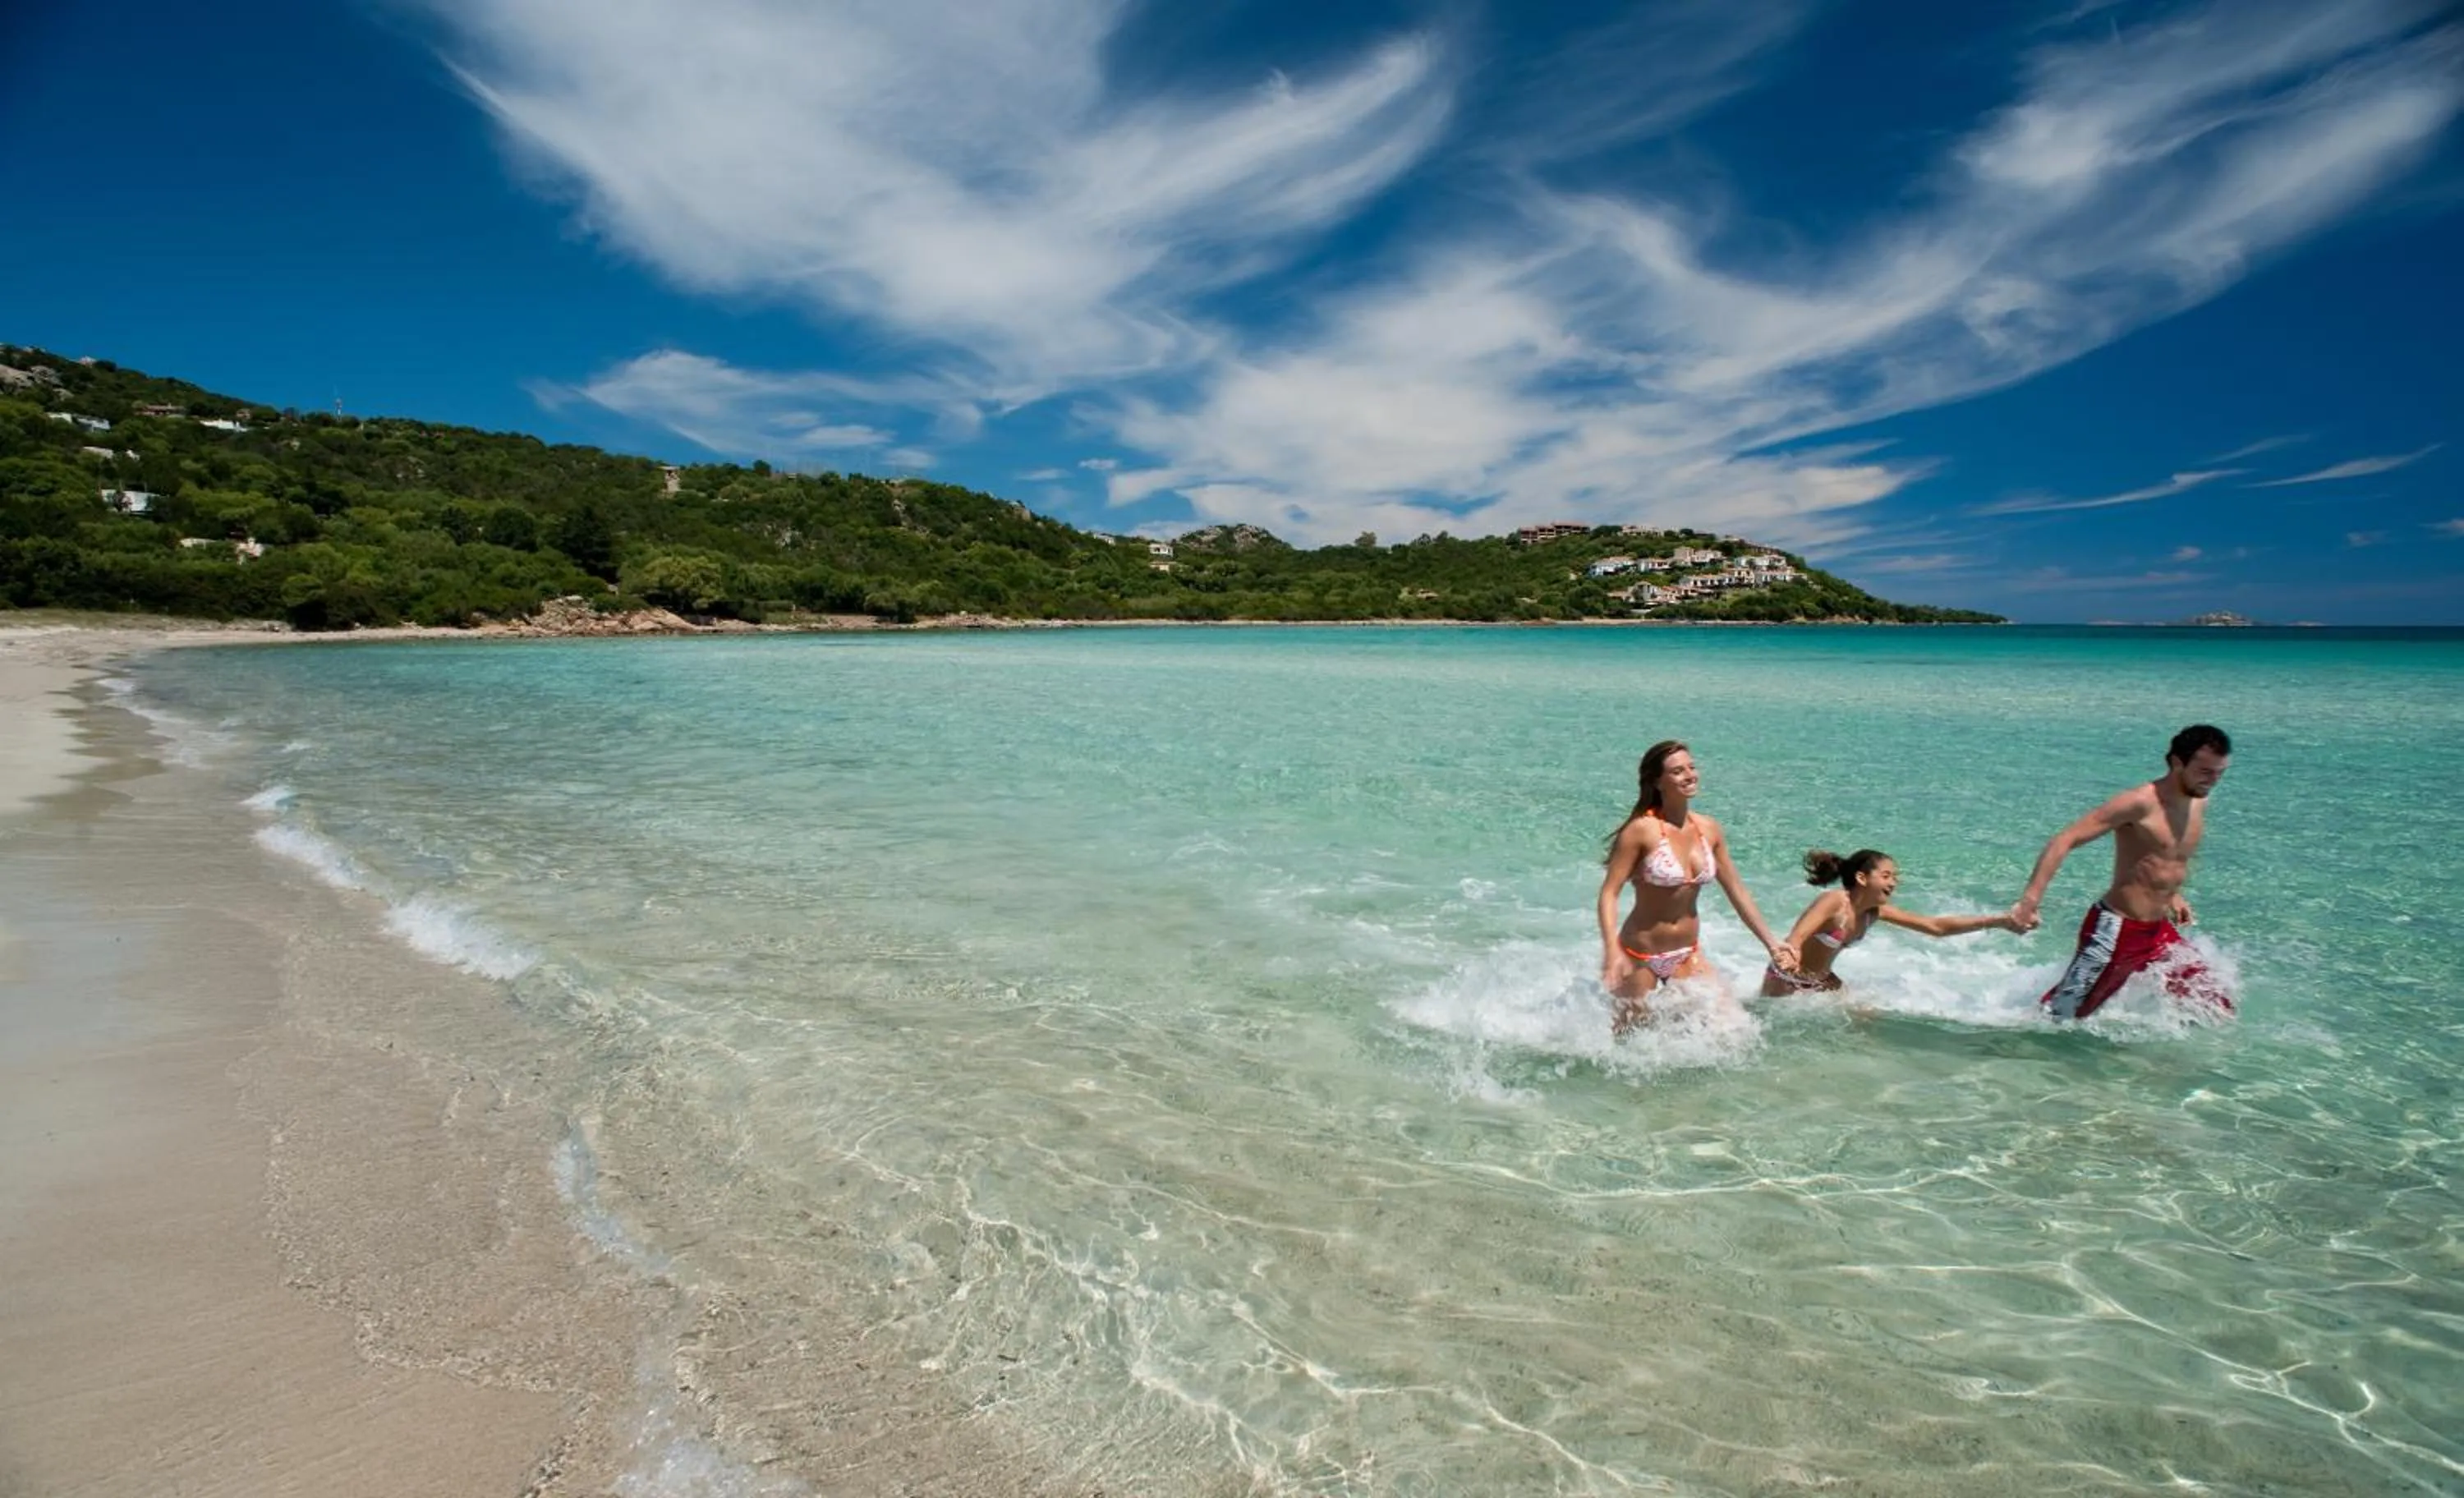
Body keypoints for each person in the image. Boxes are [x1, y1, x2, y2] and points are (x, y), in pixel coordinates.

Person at [2011, 724, 2233, 1020]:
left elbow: (2167, 853)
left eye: (2220, 772)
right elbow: (2064, 840)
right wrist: (2030, 902)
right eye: (2206, 771)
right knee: (2059, 1017)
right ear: (2178, 762)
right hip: (2116, 931)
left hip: (2158, 933)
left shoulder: (2199, 800)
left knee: (2213, 1004)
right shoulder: (2140, 803)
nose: (2213, 781)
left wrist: (2172, 894)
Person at [1597, 739, 1797, 1032]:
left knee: (1733, 1029)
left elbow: (1737, 891)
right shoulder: (1642, 830)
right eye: (1678, 771)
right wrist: (1611, 952)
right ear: (1657, 781)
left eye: (1692, 767)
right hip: (1639, 955)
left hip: (1688, 953)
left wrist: (1771, 942)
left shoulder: (1709, 829)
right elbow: (1609, 894)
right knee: (1625, 1039)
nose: (1690, 775)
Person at [1759, 848, 2020, 997]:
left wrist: (1999, 921)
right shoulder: (1835, 901)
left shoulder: (1874, 912)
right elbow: (1795, 939)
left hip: (1822, 982)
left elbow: (1936, 928)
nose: (1893, 883)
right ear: (1862, 878)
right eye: (1886, 876)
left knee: (1866, 1021)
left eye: (1895, 877)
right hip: (1786, 979)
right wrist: (1788, 956)